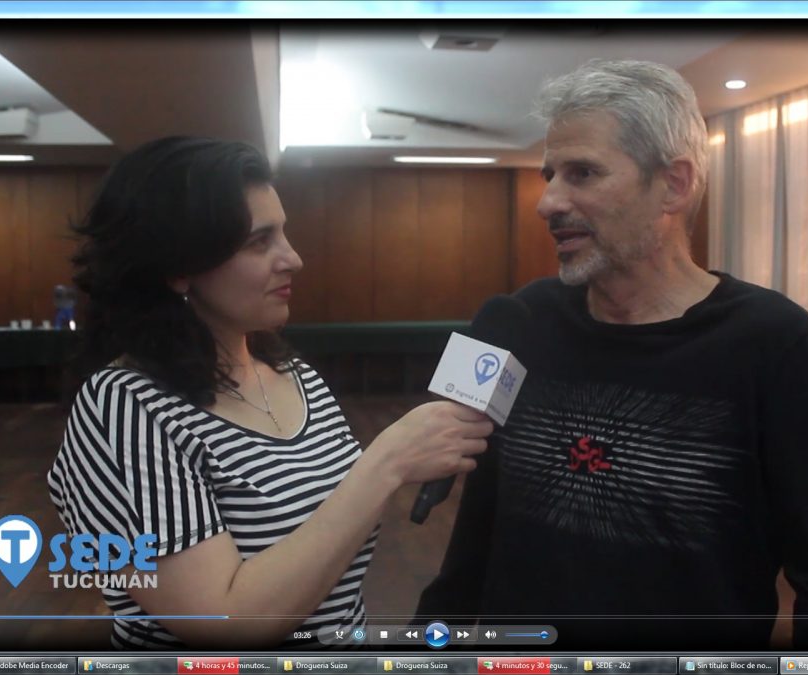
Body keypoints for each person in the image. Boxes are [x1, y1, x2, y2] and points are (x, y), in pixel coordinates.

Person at [415, 60, 808, 650]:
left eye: (583, 173)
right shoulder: (520, 321)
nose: (548, 202)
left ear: (674, 184)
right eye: (550, 175)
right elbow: (474, 537)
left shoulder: (775, 344)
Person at [47, 137, 492, 650]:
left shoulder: (296, 375)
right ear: (177, 267)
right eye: (259, 242)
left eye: (283, 233)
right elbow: (224, 622)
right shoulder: (124, 407)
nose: (294, 259)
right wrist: (386, 463)